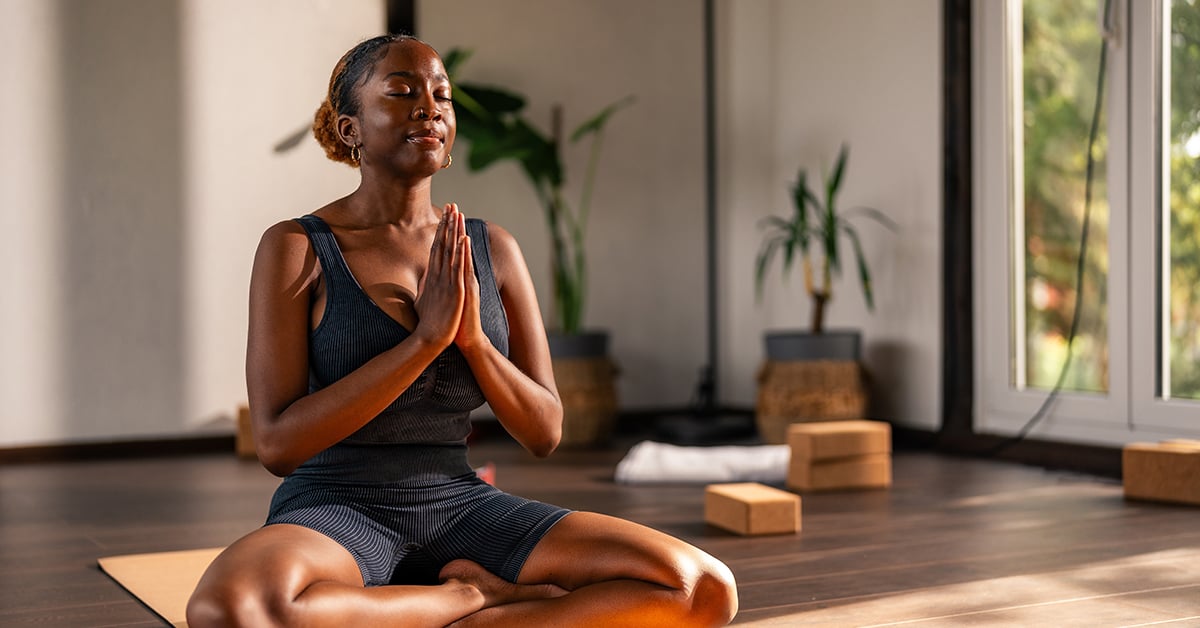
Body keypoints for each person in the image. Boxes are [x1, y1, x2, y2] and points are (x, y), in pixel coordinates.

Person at [186, 34, 738, 628]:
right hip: (334, 507)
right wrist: (423, 343)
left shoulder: (493, 249)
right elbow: (276, 445)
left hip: (460, 505)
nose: (429, 106)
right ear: (350, 130)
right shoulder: (297, 248)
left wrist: (472, 339)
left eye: (441, 95)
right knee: (232, 608)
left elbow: (544, 431)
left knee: (701, 587)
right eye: (401, 92)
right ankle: (469, 601)